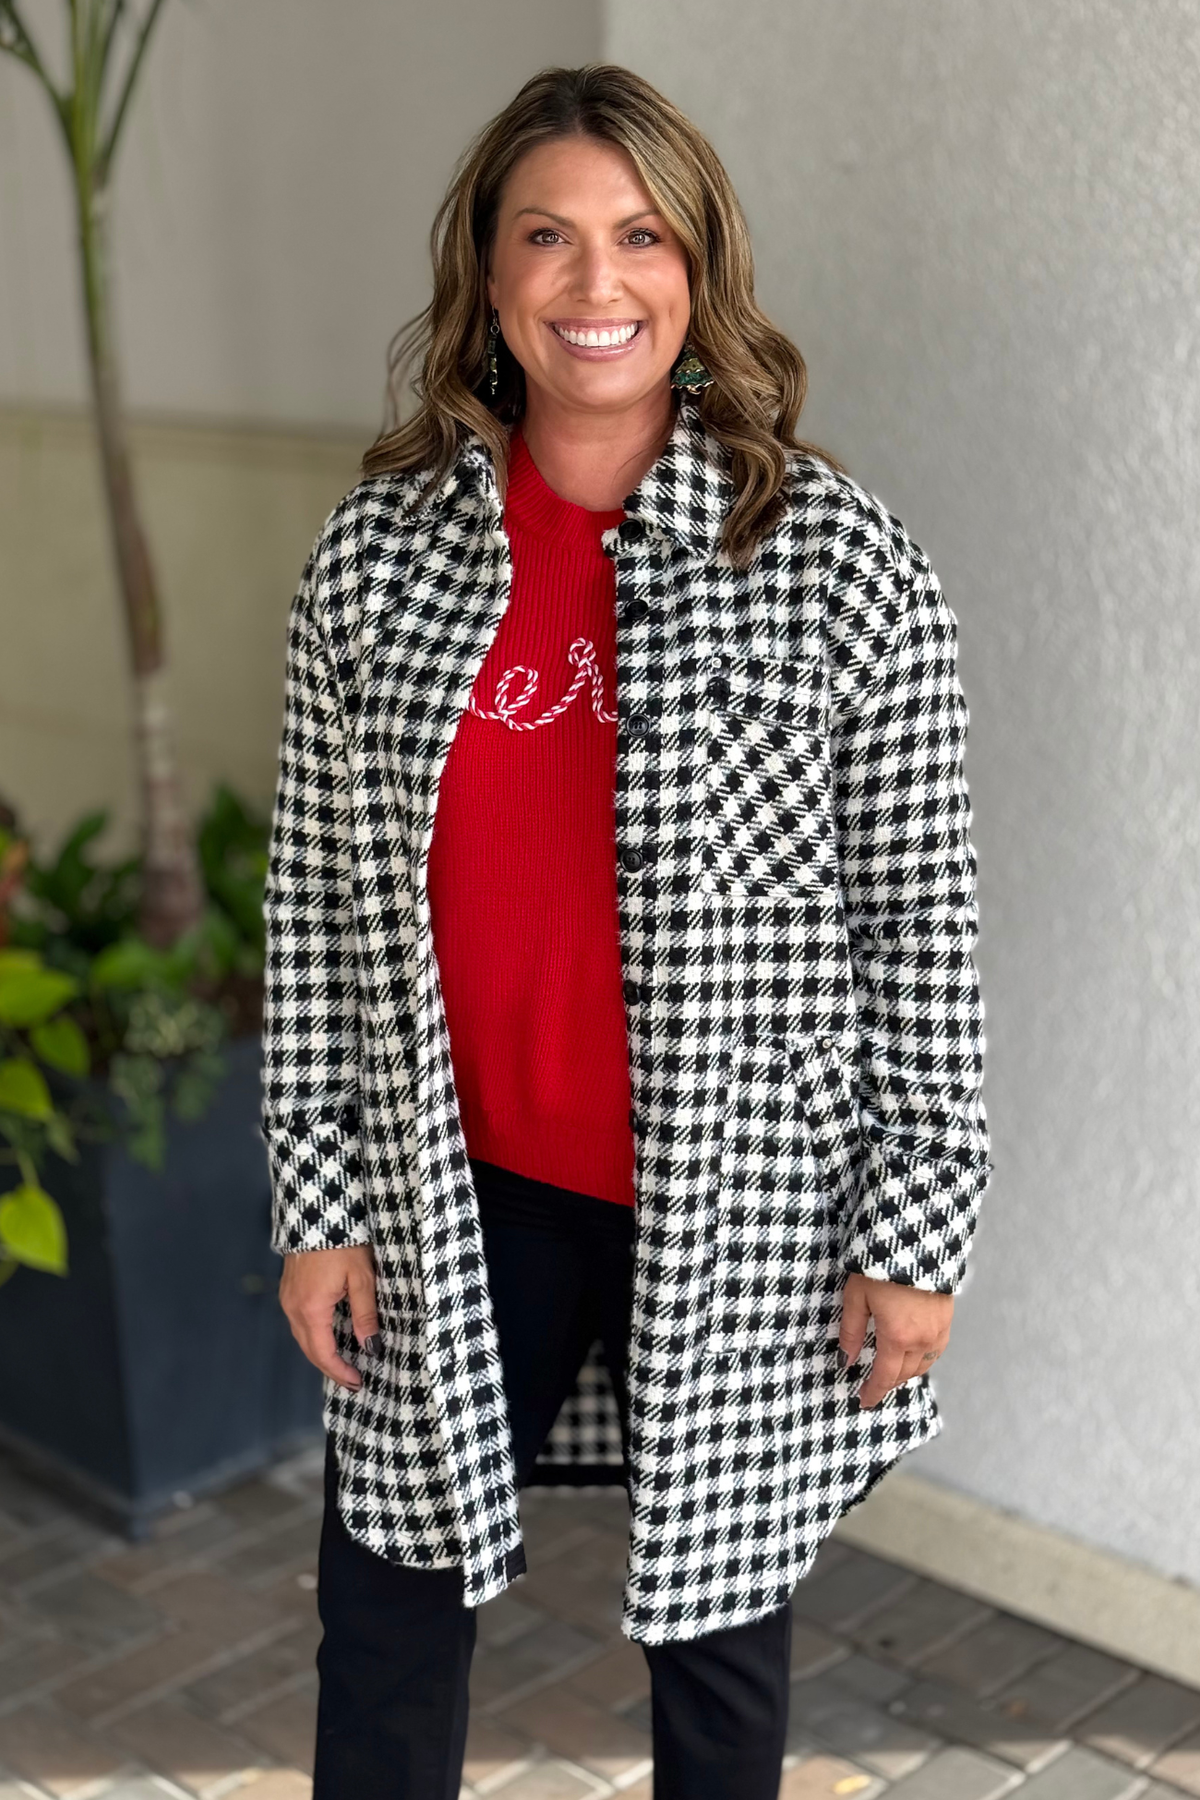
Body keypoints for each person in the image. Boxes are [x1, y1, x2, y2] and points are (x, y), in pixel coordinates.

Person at [261, 62, 992, 1800]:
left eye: (641, 235)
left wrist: (919, 1226)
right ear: (487, 273)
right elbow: (314, 915)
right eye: (548, 237)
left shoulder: (837, 566)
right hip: (460, 1192)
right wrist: (319, 1202)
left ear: (700, 266)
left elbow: (921, 922)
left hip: (740, 1204)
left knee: (721, 1646)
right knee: (385, 1606)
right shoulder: (374, 565)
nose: (596, 282)